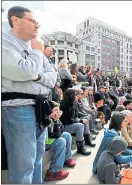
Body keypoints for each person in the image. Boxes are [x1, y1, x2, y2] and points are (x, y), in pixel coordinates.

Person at [2, 6, 57, 183]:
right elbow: (24, 70)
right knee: (23, 165)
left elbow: (51, 78)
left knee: (38, 157)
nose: (36, 26)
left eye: (37, 22)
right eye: (32, 21)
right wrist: (37, 53)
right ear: (15, 20)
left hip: (39, 108)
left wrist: (38, 75)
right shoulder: (5, 41)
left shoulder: (34, 46)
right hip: (18, 108)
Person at [44, 102, 76, 181]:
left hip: (50, 138)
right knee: (61, 141)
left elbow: (61, 130)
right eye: (55, 110)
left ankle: (66, 158)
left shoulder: (53, 118)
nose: (58, 112)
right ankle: (54, 172)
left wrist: (57, 120)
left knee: (67, 135)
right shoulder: (46, 119)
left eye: (58, 110)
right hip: (43, 143)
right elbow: (56, 135)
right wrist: (55, 120)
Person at [60, 88, 91, 155]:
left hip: (71, 123)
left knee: (84, 121)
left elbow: (76, 115)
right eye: (75, 94)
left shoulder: (73, 103)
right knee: (80, 125)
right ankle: (80, 148)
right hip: (65, 126)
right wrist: (80, 120)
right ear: (71, 96)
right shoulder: (64, 105)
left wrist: (82, 119)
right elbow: (69, 120)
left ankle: (87, 140)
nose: (77, 96)